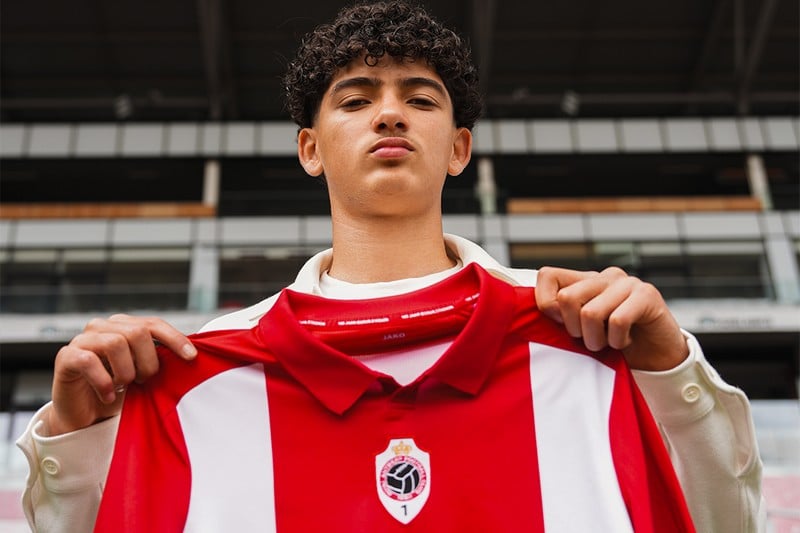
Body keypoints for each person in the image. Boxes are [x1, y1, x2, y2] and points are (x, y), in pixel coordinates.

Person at [17, 2, 764, 531]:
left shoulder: (591, 341)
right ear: (310, 149)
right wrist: (78, 438)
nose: (389, 114)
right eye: (355, 100)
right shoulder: (195, 381)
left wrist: (670, 369)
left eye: (420, 99)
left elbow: (723, 523)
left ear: (459, 149)